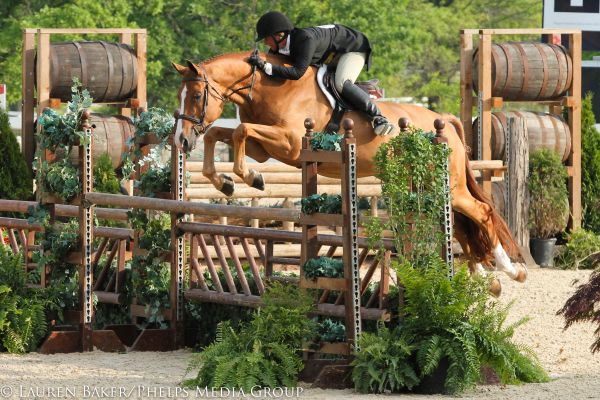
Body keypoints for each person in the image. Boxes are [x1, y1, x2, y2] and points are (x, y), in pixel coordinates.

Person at [247, 11, 394, 135]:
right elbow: (276, 70)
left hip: (353, 48)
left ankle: (379, 117)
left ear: (278, 35)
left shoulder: (304, 39)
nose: (266, 43)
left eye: (266, 39)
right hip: (332, 54)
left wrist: (266, 66)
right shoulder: (279, 47)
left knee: (341, 82)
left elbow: (297, 72)